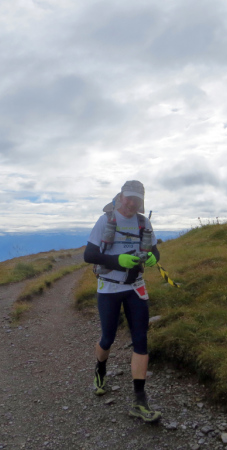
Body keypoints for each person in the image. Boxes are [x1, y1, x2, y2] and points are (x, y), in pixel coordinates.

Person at [83, 180, 162, 423]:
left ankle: (140, 401)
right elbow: (89, 254)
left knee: (141, 340)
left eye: (136, 199)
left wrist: (152, 258)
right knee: (108, 338)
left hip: (135, 286)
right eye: (128, 197)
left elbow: (155, 251)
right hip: (109, 287)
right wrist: (118, 261)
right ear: (120, 197)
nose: (131, 203)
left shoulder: (144, 223)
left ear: (141, 201)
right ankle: (100, 369)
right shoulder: (105, 221)